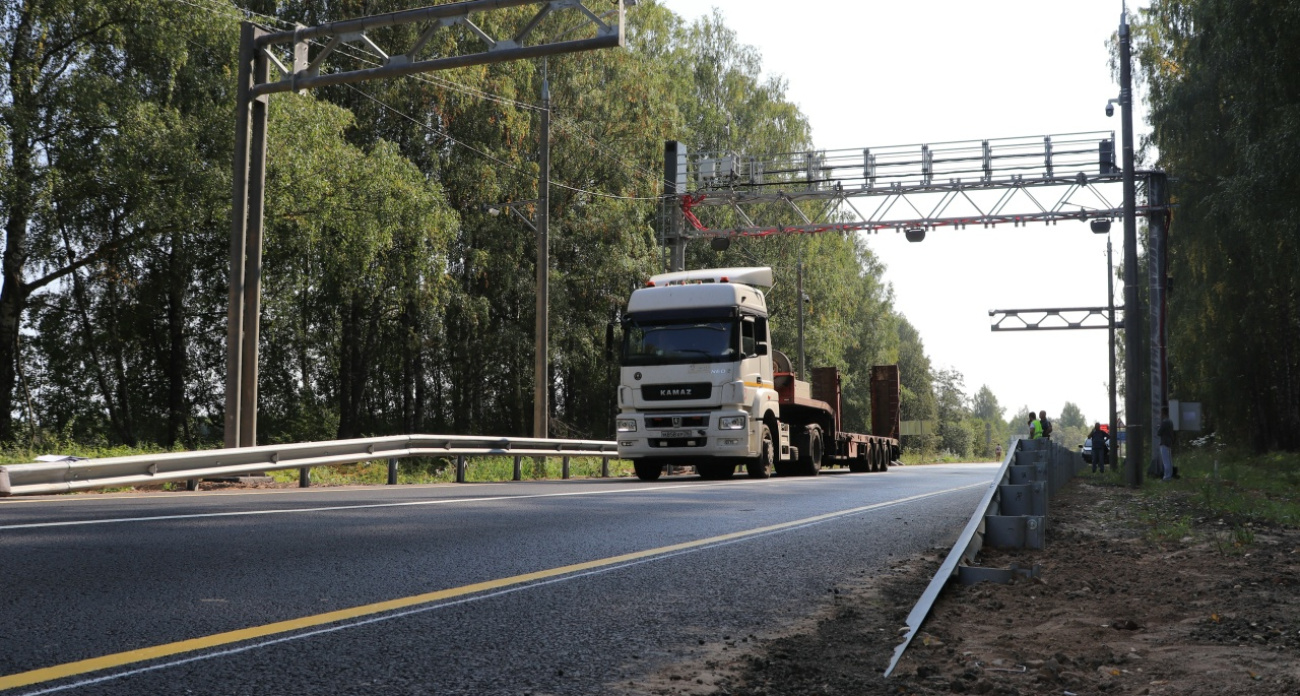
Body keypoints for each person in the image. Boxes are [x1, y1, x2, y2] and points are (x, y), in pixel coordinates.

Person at [1158, 407, 1176, 481]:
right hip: (1169, 442)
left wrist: (1159, 427)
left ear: (1163, 413)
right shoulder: (1170, 422)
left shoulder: (1164, 422)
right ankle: (1170, 475)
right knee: (1169, 460)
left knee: (1165, 461)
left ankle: (1166, 477)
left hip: (1164, 442)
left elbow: (1159, 432)